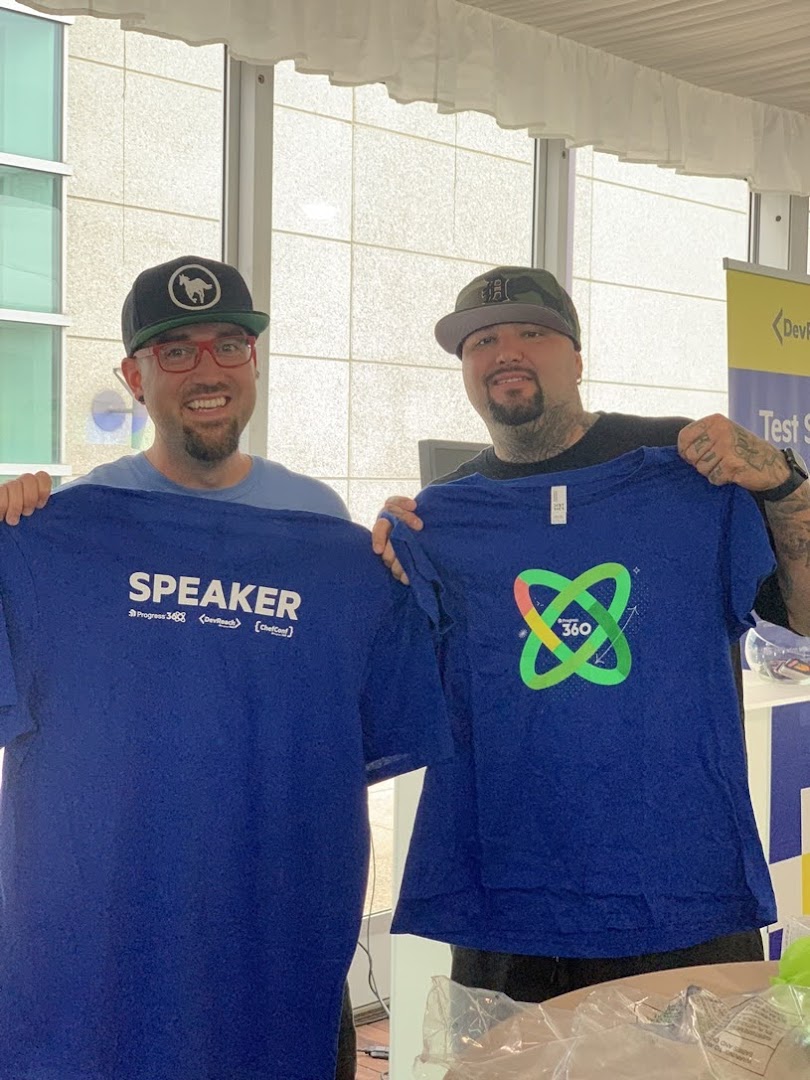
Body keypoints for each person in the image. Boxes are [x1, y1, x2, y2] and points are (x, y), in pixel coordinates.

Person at [372, 264, 810, 1004]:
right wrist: (391, 564)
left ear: (576, 357)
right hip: (507, 893)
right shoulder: (439, 514)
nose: (506, 352)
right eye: (482, 342)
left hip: (677, 886)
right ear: (466, 369)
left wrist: (785, 486)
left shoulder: (689, 473)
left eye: (532, 333)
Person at [0, 256, 365, 1079]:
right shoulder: (62, 533)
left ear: (254, 363)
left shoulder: (323, 527)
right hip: (111, 933)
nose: (208, 370)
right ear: (134, 378)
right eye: (176, 351)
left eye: (229, 345)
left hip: (273, 924)